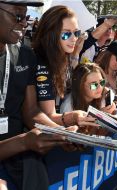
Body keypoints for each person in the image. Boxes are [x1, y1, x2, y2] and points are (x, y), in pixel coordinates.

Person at [0, 1, 77, 189]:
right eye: (17, 16)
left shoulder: (25, 55)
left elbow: (31, 111)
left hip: (17, 153)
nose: (24, 23)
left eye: (26, 16)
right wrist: (23, 142)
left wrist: (61, 134)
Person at [32, 6, 98, 128]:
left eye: (77, 33)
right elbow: (48, 116)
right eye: (66, 34)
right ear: (51, 33)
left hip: (59, 132)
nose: (74, 38)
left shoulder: (65, 58)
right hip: (41, 137)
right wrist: (73, 118)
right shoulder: (42, 63)